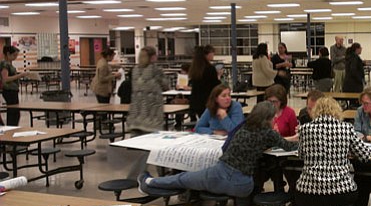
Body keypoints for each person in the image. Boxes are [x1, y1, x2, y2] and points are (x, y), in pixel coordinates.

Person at [138, 101, 299, 197]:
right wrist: (300, 138)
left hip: (224, 173)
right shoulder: (268, 133)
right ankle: (150, 182)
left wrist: (290, 138)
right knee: (184, 179)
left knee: (183, 178)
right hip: (242, 183)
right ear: (269, 119)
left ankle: (149, 182)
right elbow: (287, 145)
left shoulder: (246, 126)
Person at [295, 97, 371, 206]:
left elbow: (301, 155)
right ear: (337, 111)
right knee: (365, 178)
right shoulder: (347, 128)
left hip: (309, 192)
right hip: (341, 192)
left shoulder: (305, 129)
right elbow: (365, 155)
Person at [127, 46, 170, 134]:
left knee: (136, 141)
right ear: (153, 57)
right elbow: (166, 86)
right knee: (151, 141)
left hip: (136, 112)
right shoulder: (156, 70)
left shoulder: (134, 70)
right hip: (152, 113)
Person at [189, 45, 219, 121]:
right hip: (207, 101)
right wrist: (218, 76)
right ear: (207, 54)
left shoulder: (194, 68)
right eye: (212, 53)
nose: (213, 55)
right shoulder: (210, 68)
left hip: (195, 102)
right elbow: (215, 85)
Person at [1, 46, 28, 126]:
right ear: (8, 54)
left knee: (15, 113)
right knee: (13, 114)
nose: (15, 57)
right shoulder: (4, 64)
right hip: (9, 91)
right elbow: (5, 79)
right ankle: (11, 131)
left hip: (13, 90)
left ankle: (12, 129)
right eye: (14, 55)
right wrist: (20, 76)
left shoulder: (9, 64)